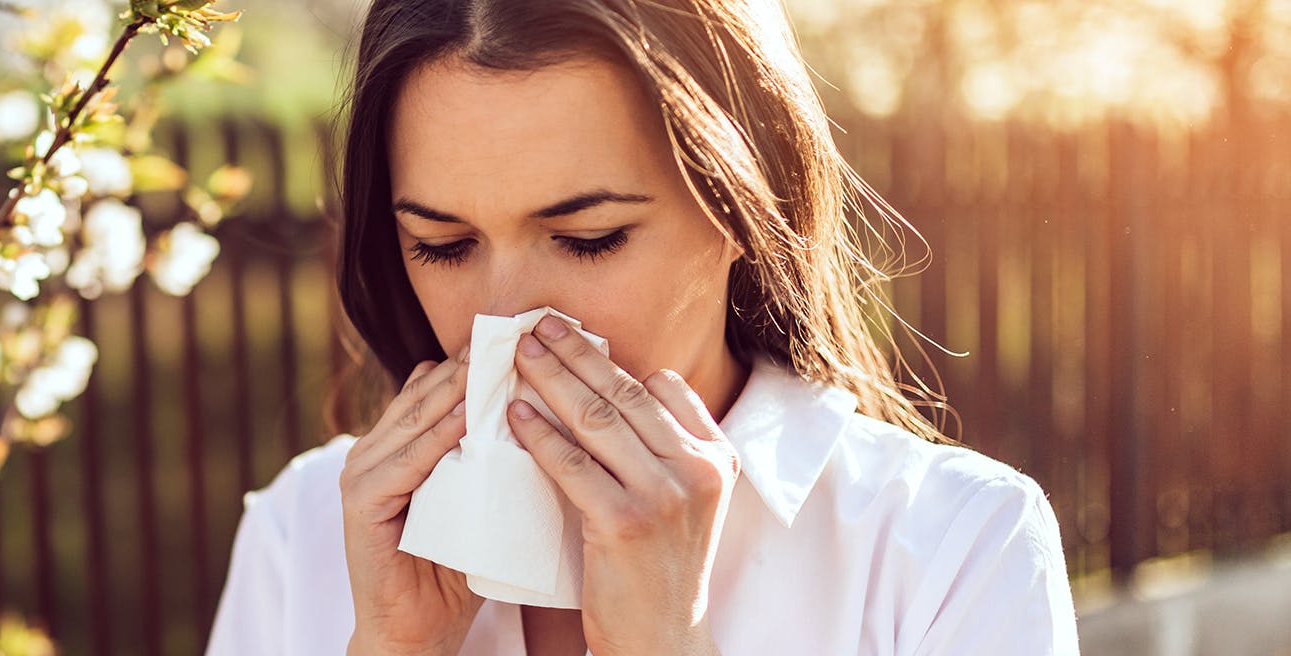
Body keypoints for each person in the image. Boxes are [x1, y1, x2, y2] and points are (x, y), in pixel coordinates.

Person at [205, 0, 1080, 653]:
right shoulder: (306, 532)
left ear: (744, 206)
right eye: (442, 245)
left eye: (590, 240)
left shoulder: (952, 548)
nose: (503, 318)